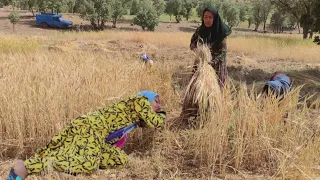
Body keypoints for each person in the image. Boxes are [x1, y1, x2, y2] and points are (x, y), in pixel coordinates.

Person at [7, 91, 166, 180]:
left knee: (120, 158)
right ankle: (25, 167)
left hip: (93, 130)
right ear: (148, 98)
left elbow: (146, 122)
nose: (159, 106)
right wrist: (163, 115)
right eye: (157, 101)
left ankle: (71, 166)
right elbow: (155, 122)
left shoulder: (132, 118)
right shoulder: (140, 100)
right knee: (89, 163)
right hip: (91, 126)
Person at [190, 7, 232, 87]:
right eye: (205, 17)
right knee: (197, 86)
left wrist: (210, 62)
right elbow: (193, 42)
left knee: (216, 87)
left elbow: (223, 52)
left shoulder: (220, 33)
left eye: (210, 17)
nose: (207, 19)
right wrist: (195, 48)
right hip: (201, 63)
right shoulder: (200, 30)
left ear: (215, 18)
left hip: (217, 65)